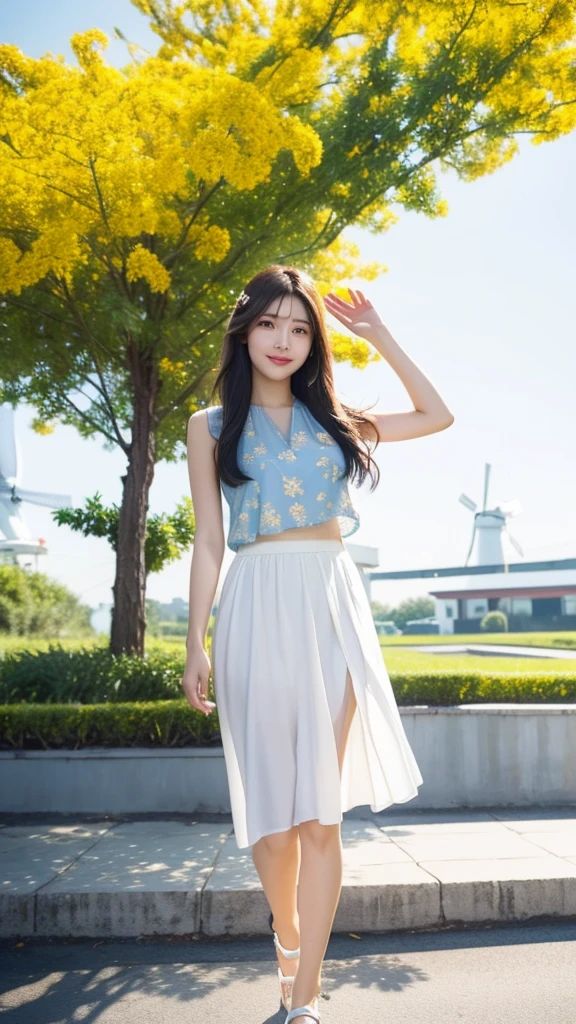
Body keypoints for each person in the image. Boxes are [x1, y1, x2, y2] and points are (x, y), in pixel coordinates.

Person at [183, 264, 454, 1024]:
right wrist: (194, 640)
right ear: (245, 329)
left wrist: (378, 334)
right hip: (252, 601)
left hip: (330, 602)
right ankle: (290, 942)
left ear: (314, 342)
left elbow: (436, 415)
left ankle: (304, 998)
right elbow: (209, 540)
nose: (284, 340)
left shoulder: (334, 418)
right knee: (271, 822)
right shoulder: (208, 427)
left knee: (319, 815)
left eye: (301, 328)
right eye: (271, 323)